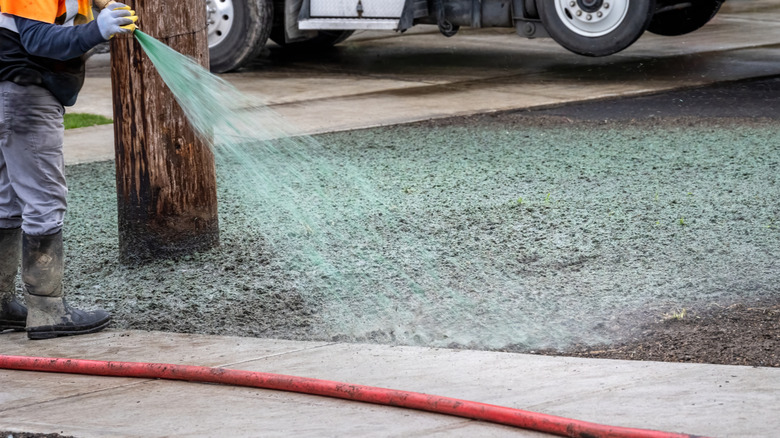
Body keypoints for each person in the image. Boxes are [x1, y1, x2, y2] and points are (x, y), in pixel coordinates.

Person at [0, 0, 137, 339]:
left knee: (6, 200)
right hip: (25, 91)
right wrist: (97, 30)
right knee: (43, 199)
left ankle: (1, 305)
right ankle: (48, 311)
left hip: (8, 90)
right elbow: (38, 40)